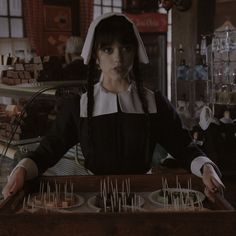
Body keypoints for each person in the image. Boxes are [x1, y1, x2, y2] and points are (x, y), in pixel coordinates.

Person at [2, 12, 224, 199]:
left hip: (144, 198)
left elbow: (183, 146)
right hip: (93, 198)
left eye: (126, 48)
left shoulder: (153, 102)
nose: (118, 57)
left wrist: (206, 168)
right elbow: (47, 152)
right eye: (108, 49)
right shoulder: (79, 106)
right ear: (96, 56)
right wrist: (21, 169)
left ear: (135, 52)